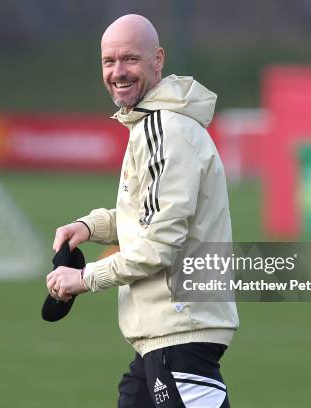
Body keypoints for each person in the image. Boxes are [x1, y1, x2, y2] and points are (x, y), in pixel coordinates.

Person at [46, 14, 239, 407]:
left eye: (130, 59)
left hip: (180, 334)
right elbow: (149, 216)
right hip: (164, 336)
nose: (118, 72)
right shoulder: (154, 125)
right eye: (109, 61)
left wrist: (85, 277)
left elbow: (158, 246)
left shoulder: (164, 130)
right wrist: (90, 225)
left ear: (158, 60)